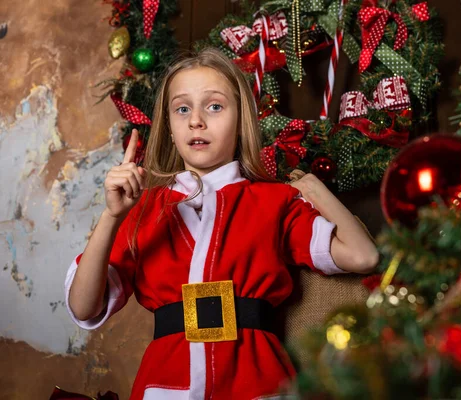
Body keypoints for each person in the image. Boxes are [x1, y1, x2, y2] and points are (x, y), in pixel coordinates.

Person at [65, 47, 379, 400]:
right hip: (166, 386)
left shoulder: (275, 202)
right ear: (169, 128)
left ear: (241, 121)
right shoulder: (141, 209)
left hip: (258, 383)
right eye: (182, 109)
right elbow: (83, 307)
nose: (196, 120)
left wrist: (314, 189)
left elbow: (363, 257)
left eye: (214, 106)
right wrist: (111, 216)